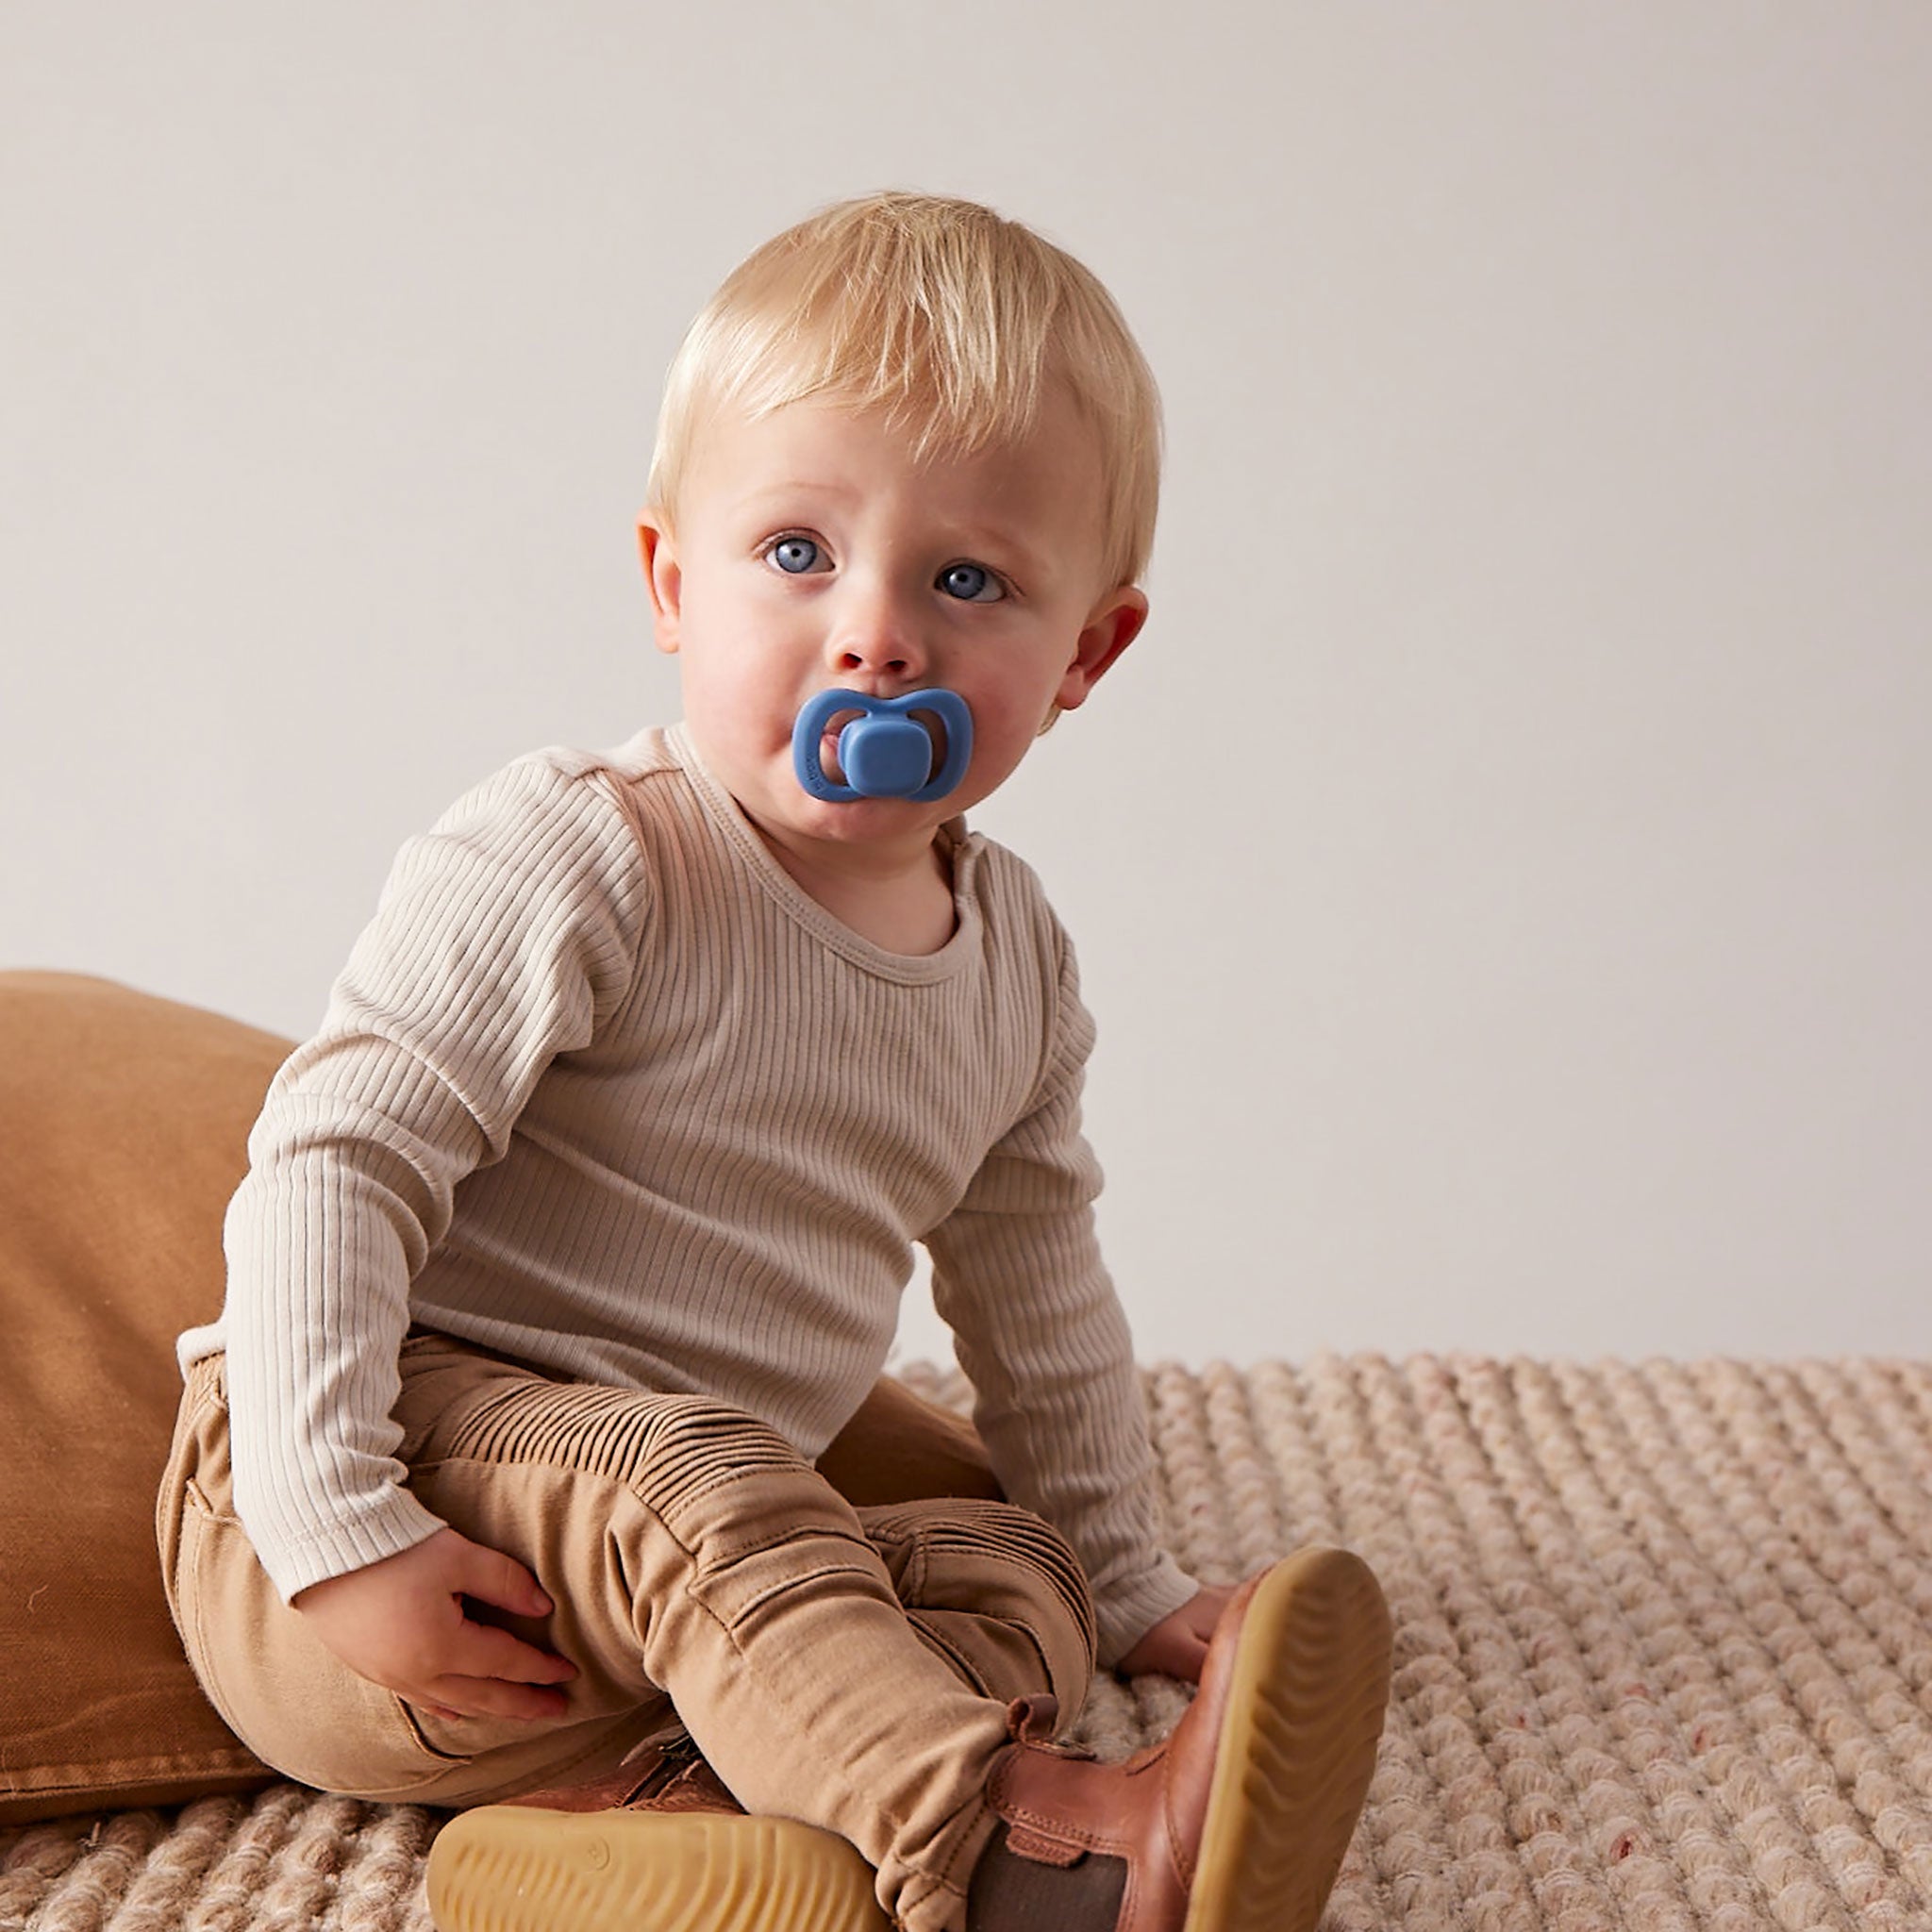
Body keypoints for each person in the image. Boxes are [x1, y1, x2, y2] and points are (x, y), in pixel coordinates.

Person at [158, 191, 1391, 1932]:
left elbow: (1038, 1290)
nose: (876, 636)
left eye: (968, 580)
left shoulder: (1014, 962)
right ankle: (1043, 1866)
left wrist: (1123, 1580)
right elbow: (332, 1164)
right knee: (713, 1479)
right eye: (799, 553)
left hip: (660, 1588)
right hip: (377, 1504)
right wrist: (333, 1524)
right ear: (675, 583)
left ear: (1087, 652)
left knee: (1000, 1564)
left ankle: (649, 1833)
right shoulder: (586, 852)